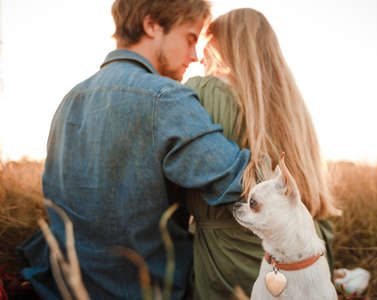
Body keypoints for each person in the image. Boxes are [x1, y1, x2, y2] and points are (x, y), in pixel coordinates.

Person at [18, 1, 251, 299]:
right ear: (152, 25)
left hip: (65, 289)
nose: (194, 57)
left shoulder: (70, 99)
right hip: (147, 291)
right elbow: (239, 182)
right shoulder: (166, 98)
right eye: (190, 39)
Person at [185, 8, 341, 299]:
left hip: (232, 264)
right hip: (311, 262)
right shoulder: (293, 109)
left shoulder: (206, 91)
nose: (199, 54)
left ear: (223, 46)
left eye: (207, 41)